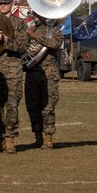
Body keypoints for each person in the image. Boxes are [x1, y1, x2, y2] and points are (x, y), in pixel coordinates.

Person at [0, 0, 30, 153]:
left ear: (12, 4)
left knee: (12, 105)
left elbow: (23, 46)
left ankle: (10, 139)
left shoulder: (19, 24)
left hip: (12, 70)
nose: (2, 6)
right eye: (0, 3)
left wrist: (5, 40)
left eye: (5, 3)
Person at [25, 15, 64, 149]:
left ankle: (48, 138)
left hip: (49, 75)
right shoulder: (30, 29)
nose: (37, 15)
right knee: (32, 107)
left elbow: (54, 44)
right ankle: (38, 138)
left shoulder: (55, 31)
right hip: (32, 74)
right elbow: (23, 49)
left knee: (48, 108)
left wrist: (35, 36)